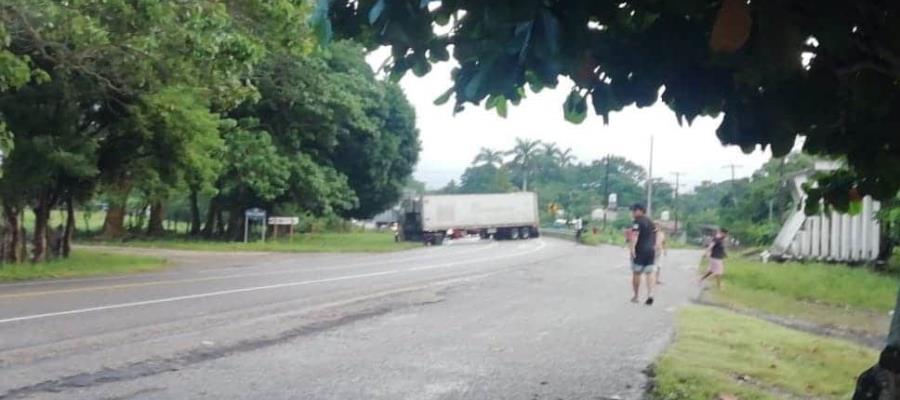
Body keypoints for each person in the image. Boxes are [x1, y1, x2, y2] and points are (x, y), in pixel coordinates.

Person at [628, 203, 656, 305]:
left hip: (640, 250)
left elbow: (635, 235)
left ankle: (636, 296)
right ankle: (650, 295)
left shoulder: (637, 222)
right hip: (651, 250)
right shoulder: (651, 222)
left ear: (639, 211)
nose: (633, 213)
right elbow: (655, 234)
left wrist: (632, 248)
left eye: (634, 211)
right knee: (650, 272)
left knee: (637, 272)